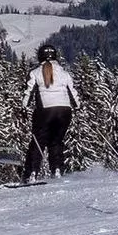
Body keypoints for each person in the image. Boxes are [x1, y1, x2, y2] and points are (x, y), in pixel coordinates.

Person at [23, 44, 79, 182]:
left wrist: (23, 107)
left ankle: (33, 173)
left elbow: (28, 93)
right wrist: (77, 106)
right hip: (65, 111)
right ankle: (57, 170)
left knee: (38, 142)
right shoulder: (65, 73)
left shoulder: (35, 73)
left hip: (45, 111)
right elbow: (73, 94)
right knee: (56, 141)